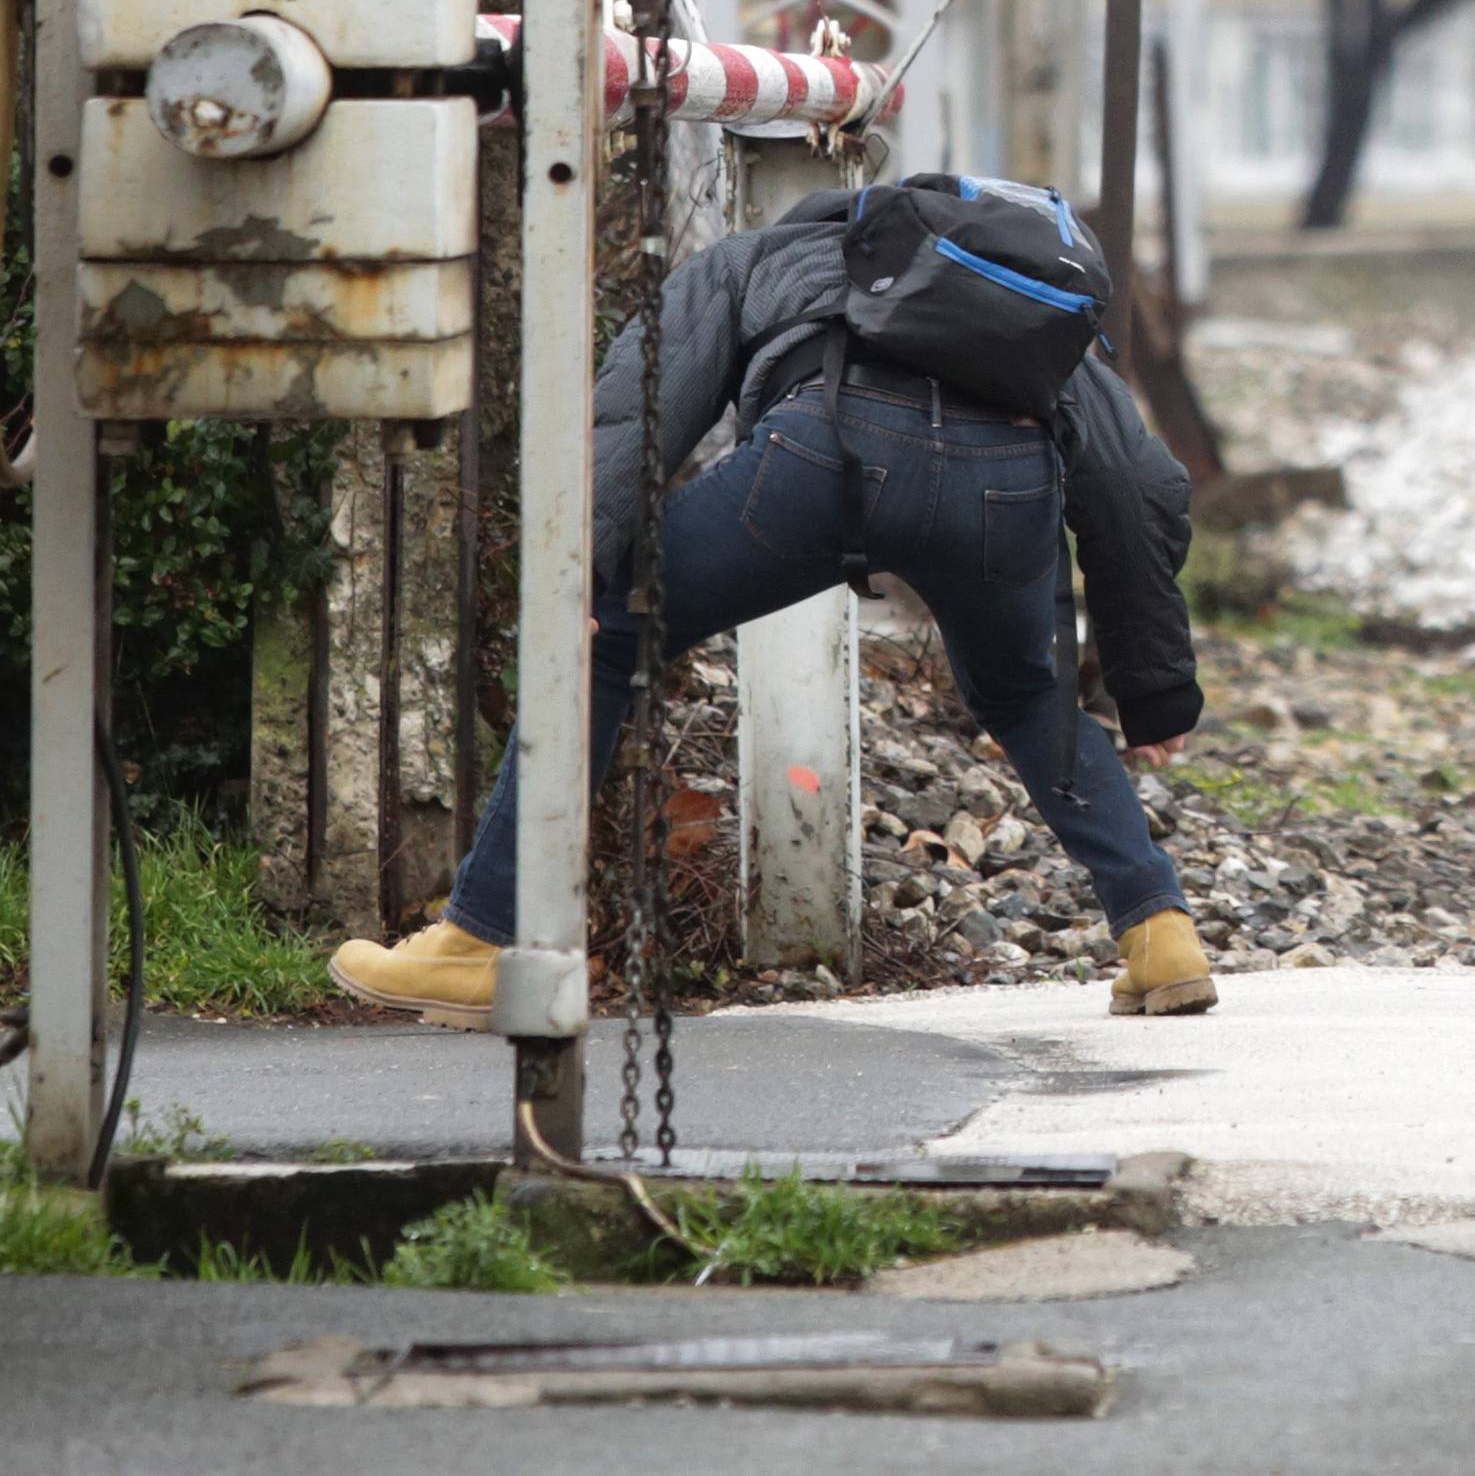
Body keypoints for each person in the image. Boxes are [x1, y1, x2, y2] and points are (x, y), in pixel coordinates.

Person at [330, 178, 1215, 1024]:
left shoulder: (759, 254)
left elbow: (643, 400)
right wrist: (1153, 688)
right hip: (1005, 491)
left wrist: (580, 568)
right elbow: (1139, 481)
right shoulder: (1030, 318)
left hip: (819, 458)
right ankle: (1159, 931)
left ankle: (482, 939)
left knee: (604, 641)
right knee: (1029, 699)